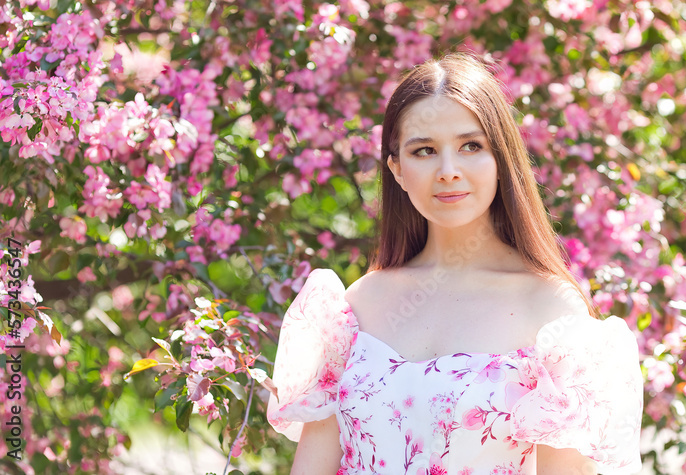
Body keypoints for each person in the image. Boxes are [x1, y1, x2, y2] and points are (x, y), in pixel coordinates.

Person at [266, 52, 643, 475]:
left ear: (501, 159)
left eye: (471, 146)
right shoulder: (352, 309)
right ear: (397, 169)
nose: (448, 171)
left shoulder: (552, 313)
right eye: (424, 150)